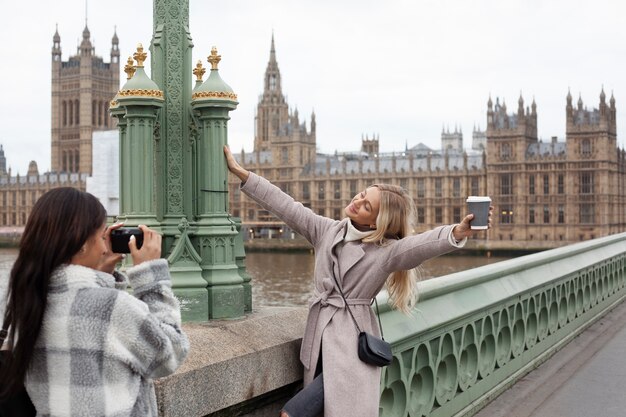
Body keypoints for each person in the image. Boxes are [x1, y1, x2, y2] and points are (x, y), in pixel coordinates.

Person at [224, 146, 492, 417]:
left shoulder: (386, 251)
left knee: (291, 413)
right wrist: (244, 175)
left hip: (349, 348)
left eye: (367, 206)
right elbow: (287, 207)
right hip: (318, 337)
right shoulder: (327, 230)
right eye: (362, 195)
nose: (357, 202)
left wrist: (456, 232)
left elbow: (419, 246)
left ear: (379, 221)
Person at [0, 187, 189, 417]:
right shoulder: (110, 307)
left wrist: (103, 276)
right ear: (81, 243)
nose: (104, 247)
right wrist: (151, 278)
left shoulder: (22, 301)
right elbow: (170, 353)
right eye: (101, 237)